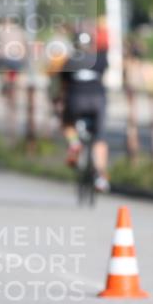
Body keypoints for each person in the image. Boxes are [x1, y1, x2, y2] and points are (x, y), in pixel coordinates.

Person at [59, 30, 110, 192]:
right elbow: (102, 75)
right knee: (100, 139)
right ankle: (100, 177)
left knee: (67, 123)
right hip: (97, 101)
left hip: (75, 100)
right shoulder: (100, 59)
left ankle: (74, 143)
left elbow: (63, 84)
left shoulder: (68, 61)